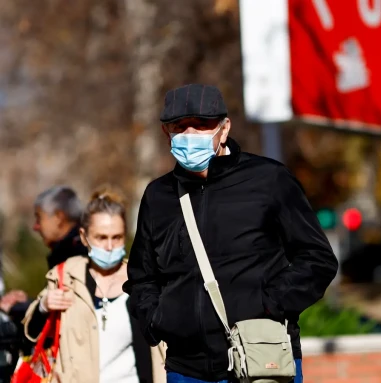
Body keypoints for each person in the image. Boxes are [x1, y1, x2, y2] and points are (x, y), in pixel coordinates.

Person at [124, 84, 338, 382]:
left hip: (260, 359)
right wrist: (157, 320)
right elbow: (142, 277)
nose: (190, 135)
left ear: (224, 129)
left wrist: (269, 304)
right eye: (180, 127)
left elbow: (317, 259)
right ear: (166, 133)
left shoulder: (269, 180)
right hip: (187, 369)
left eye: (201, 125)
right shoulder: (158, 196)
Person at [23, 186, 166, 383]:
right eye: (101, 237)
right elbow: (32, 333)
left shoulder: (142, 280)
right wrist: (43, 306)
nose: (109, 247)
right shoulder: (65, 277)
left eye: (116, 237)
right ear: (84, 237)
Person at [0, 186, 87, 320]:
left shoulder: (76, 256)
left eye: (39, 218)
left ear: (59, 217)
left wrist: (17, 309)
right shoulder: (67, 250)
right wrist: (29, 303)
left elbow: (61, 313)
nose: (36, 227)